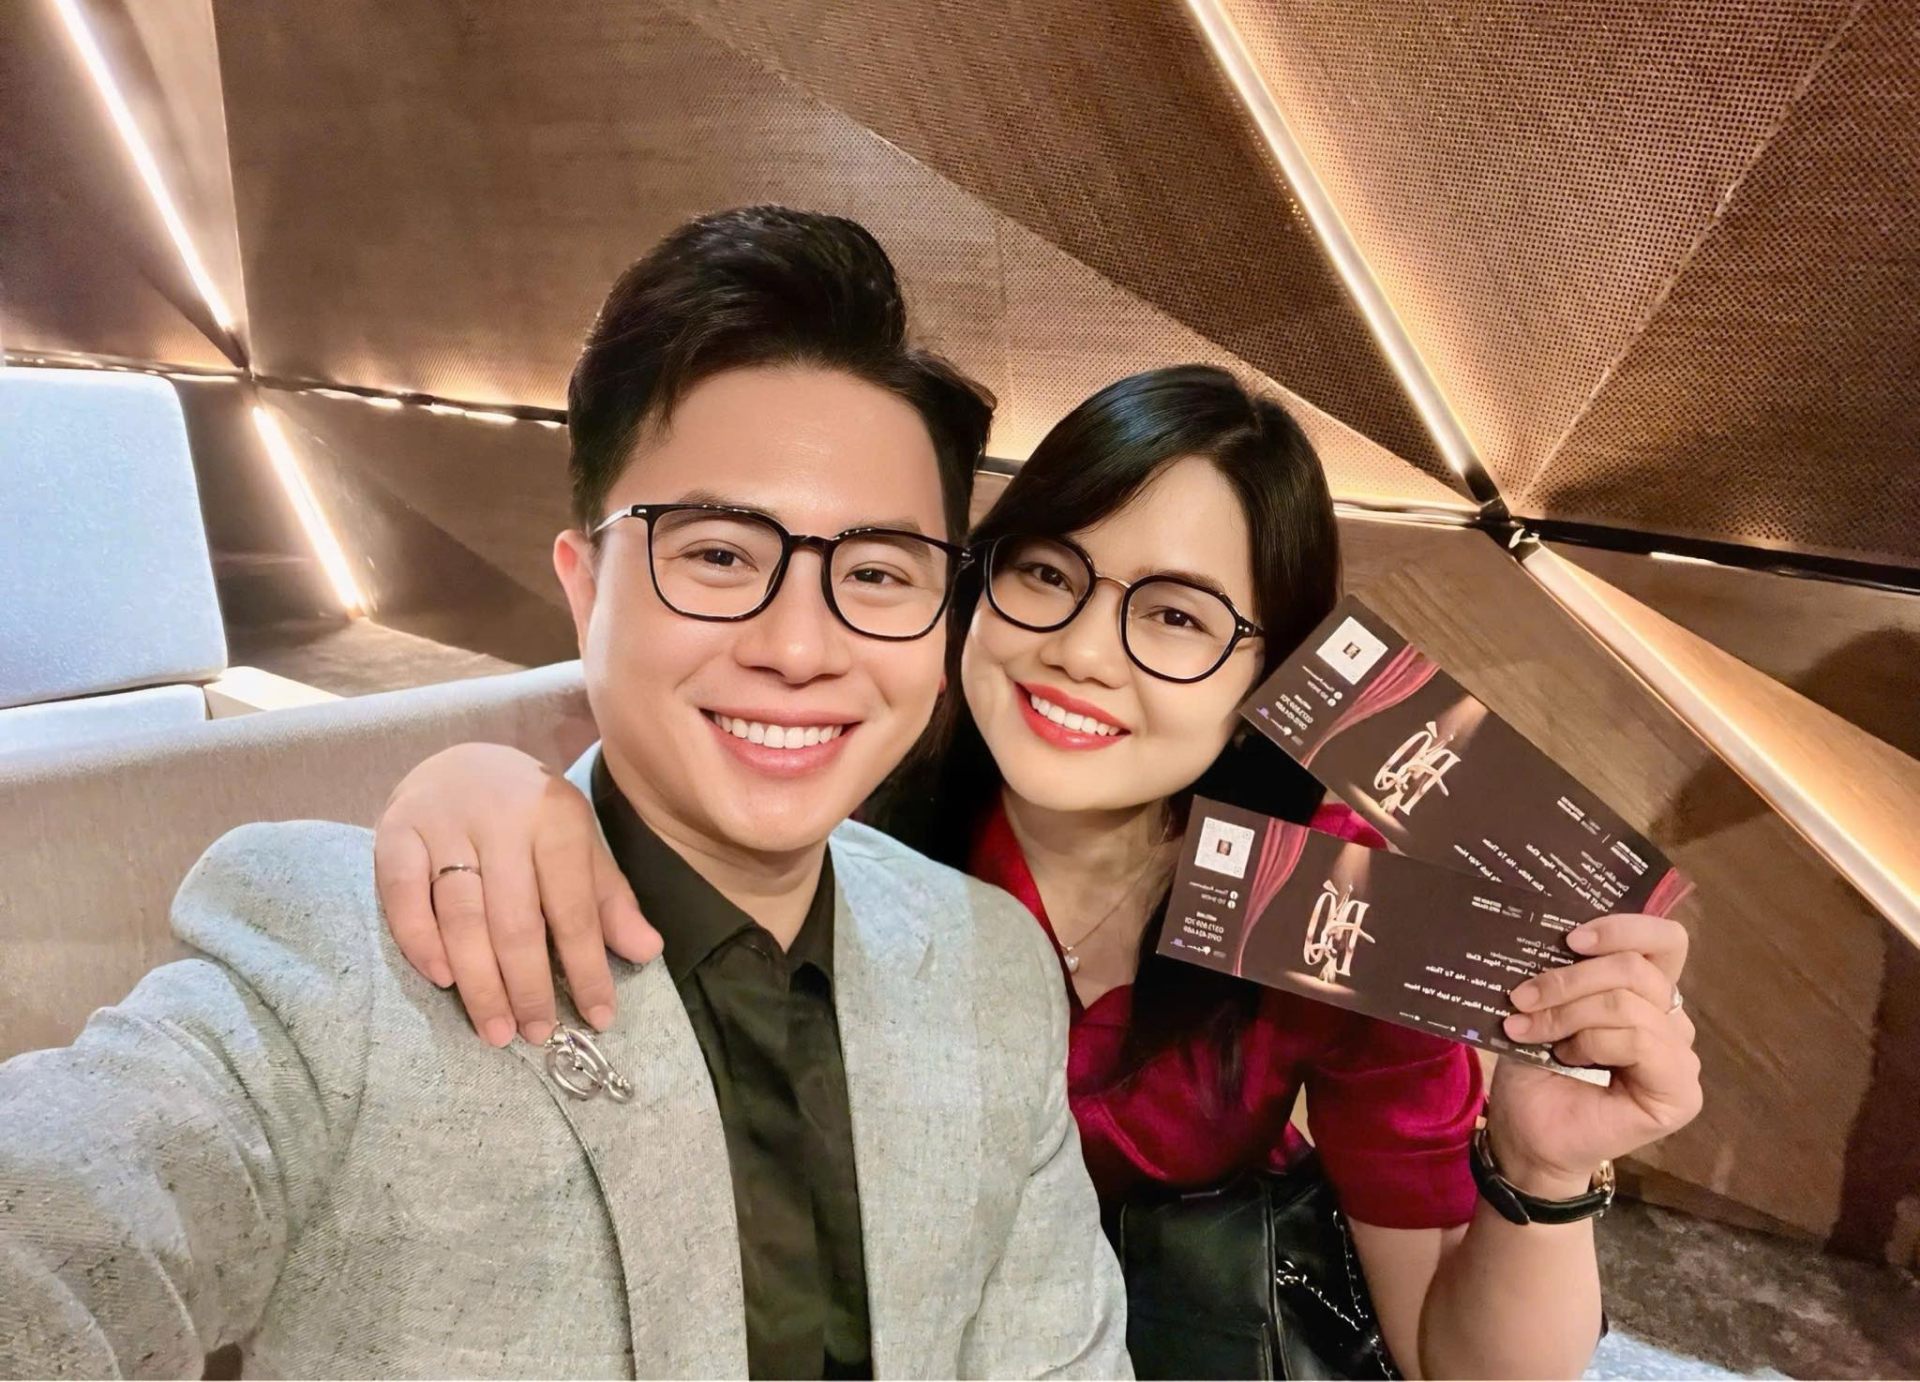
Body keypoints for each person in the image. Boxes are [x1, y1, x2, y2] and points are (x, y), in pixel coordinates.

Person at [377, 364, 1705, 1379]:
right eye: (1047, 574)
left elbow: (1457, 1360)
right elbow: (644, 802)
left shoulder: (1340, 911)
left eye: (1176, 615)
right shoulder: (847, 799)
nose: (1081, 648)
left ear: (1278, 677)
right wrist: (476, 783)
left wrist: (1539, 1169)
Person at [0, 207, 1130, 1379]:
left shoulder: (992, 970)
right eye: (719, 554)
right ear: (585, 590)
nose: (800, 647)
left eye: (881, 573)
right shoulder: (346, 965)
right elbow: (62, 1216)